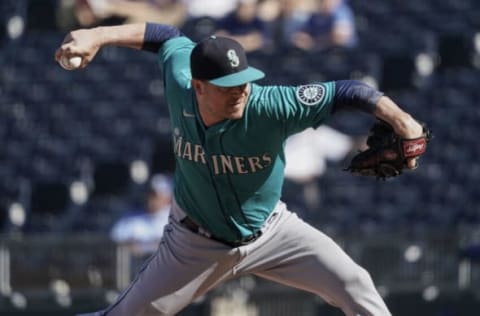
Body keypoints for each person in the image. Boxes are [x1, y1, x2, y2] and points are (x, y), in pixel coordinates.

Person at [55, 21, 425, 316]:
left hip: (273, 232)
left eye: (244, 82)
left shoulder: (272, 106)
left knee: (355, 284)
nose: (241, 91)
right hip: (193, 243)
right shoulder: (180, 79)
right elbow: (165, 35)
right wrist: (96, 35)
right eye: (228, 86)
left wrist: (403, 121)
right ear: (198, 87)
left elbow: (350, 91)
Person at [111, 174, 173, 256]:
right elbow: (114, 240)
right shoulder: (131, 218)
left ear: (167, 198)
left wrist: (144, 246)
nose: (150, 198)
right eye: (149, 193)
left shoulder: (177, 219)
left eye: (155, 195)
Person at [292, 0, 358, 51]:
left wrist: (315, 44)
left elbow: (340, 38)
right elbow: (302, 33)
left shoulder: (341, 12)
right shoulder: (316, 14)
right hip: (321, 54)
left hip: (344, 54)